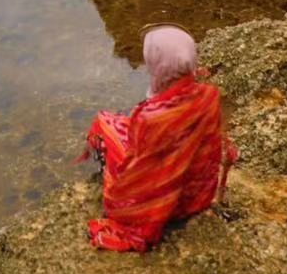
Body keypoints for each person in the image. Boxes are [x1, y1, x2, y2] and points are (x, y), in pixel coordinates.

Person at [80, 25, 236, 252]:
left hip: (166, 209)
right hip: (197, 198)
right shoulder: (208, 97)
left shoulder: (151, 118)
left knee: (104, 123)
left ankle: (105, 173)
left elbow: (141, 168)